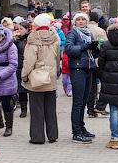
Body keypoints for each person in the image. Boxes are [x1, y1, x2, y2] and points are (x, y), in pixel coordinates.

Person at [21, 14, 61, 144]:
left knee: (36, 109)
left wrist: (24, 76)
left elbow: (28, 62)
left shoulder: (32, 40)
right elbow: (57, 58)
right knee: (51, 108)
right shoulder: (54, 39)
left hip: (37, 77)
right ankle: (52, 135)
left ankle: (37, 137)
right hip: (51, 76)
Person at [65, 12, 97, 144]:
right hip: (77, 68)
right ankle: (76, 132)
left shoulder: (89, 33)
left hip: (88, 67)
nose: (81, 21)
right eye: (79, 19)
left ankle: (81, 127)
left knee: (84, 100)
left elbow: (92, 52)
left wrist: (96, 48)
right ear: (75, 22)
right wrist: (85, 46)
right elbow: (69, 49)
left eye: (83, 19)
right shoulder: (73, 33)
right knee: (78, 101)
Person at [13, 21, 30, 118]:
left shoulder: (31, 39)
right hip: (19, 66)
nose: (19, 31)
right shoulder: (16, 40)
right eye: (18, 29)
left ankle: (34, 108)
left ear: (27, 29)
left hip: (30, 65)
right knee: (21, 89)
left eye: (21, 29)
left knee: (31, 89)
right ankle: (24, 109)